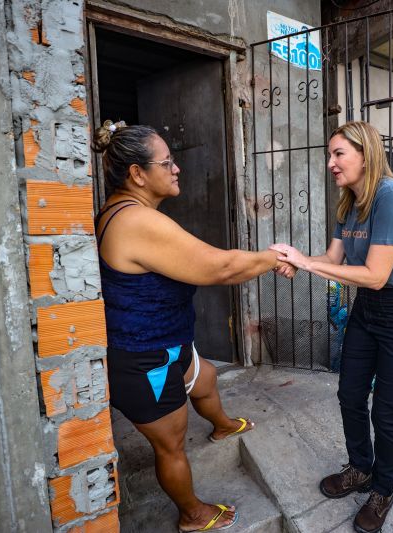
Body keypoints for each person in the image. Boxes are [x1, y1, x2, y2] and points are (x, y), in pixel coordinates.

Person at [91, 120, 293, 533]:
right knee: (171, 445)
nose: (176, 168)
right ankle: (192, 514)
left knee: (207, 378)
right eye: (166, 163)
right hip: (144, 358)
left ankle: (220, 426)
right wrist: (274, 258)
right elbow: (218, 266)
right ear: (137, 174)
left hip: (169, 343)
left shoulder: (124, 210)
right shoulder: (135, 221)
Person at [272, 121, 393, 533]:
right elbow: (333, 262)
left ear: (365, 154)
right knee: (349, 394)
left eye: (338, 154)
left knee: (387, 409)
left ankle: (383, 490)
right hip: (368, 310)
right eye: (330, 155)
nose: (331, 163)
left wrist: (308, 263)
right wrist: (296, 260)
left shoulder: (392, 197)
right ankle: (360, 469)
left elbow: (377, 274)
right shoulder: (348, 204)